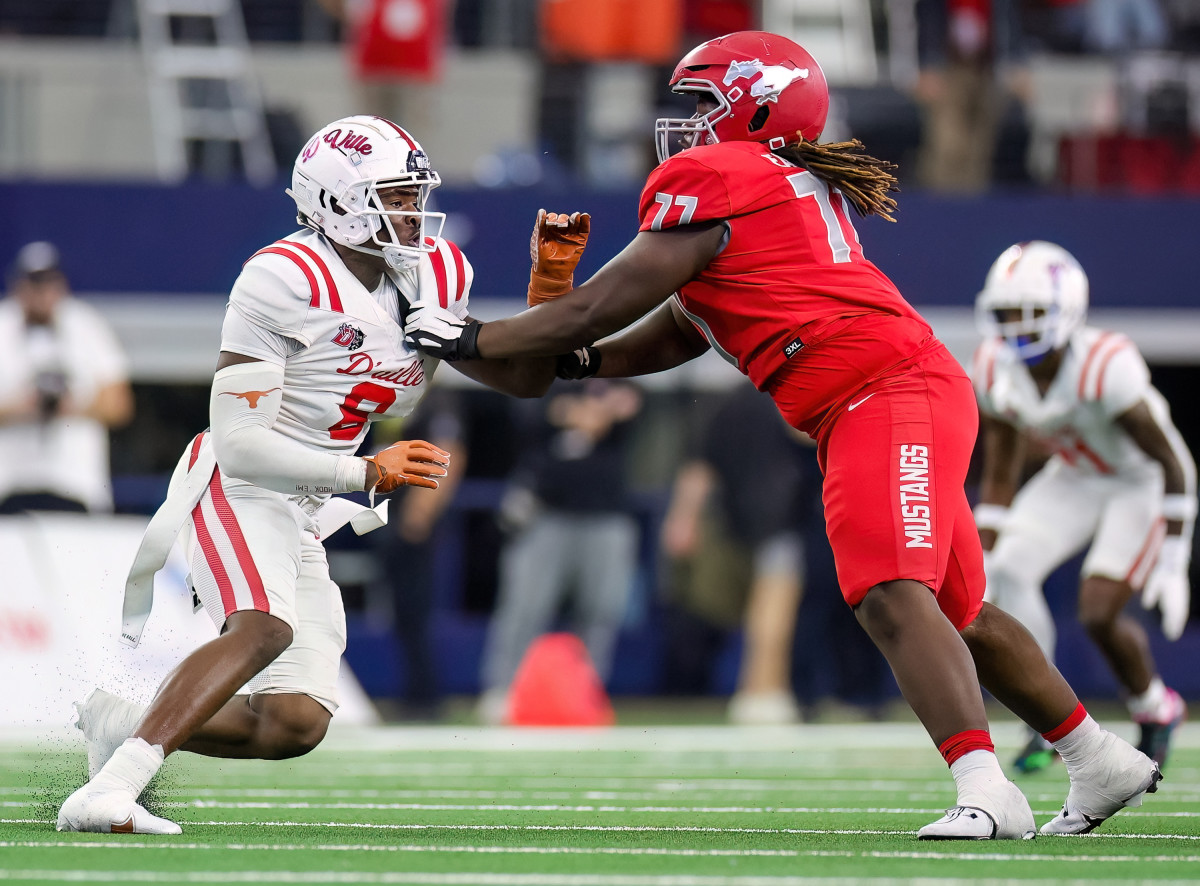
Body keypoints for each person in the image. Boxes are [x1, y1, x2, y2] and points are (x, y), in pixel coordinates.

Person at [402, 30, 1164, 839]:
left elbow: (599, 308)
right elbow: (669, 333)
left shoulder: (721, 178)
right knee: (960, 610)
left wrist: (474, 336)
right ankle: (1097, 756)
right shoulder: (771, 188)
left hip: (884, 393)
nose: (686, 123)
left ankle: (986, 785)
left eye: (703, 103)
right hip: (889, 393)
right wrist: (564, 356)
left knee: (888, 593)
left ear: (756, 102)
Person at [56, 115, 561, 835]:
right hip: (244, 482)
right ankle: (109, 792)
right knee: (263, 628)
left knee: (293, 724)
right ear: (336, 202)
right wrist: (362, 471)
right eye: (395, 196)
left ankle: (125, 724)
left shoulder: (440, 270)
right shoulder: (282, 279)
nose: (413, 213)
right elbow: (240, 445)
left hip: (313, 497)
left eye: (414, 195)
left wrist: (551, 286)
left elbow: (527, 382)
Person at [971, 240, 1194, 774]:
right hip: (1072, 477)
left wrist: (1173, 556)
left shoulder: (1105, 364)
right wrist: (981, 549)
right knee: (1003, 574)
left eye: (1032, 315)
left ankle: (1156, 708)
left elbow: (1174, 460)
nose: (1019, 328)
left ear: (1066, 311)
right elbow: (1001, 470)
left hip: (1137, 482)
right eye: (1009, 314)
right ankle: (1045, 717)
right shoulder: (994, 366)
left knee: (1097, 613)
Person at [477, 376, 643, 725]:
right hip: (547, 512)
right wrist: (575, 412)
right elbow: (531, 408)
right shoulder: (554, 365)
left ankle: (586, 690)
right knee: (526, 605)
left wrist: (594, 414)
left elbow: (632, 405)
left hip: (606, 515)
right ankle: (503, 688)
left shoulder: (622, 367)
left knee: (600, 610)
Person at [659, 382, 807, 723]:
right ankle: (763, 693)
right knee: (771, 609)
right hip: (777, 517)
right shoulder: (791, 394)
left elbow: (699, 466)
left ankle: (757, 692)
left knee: (758, 610)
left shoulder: (732, 399)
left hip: (737, 518)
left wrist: (682, 518)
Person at [0, 241, 134, 513]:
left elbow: (120, 405)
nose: (41, 293)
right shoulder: (4, 324)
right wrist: (23, 406)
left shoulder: (87, 325)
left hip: (75, 483)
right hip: (10, 484)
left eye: (48, 283)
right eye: (33, 284)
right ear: (18, 286)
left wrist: (69, 405)